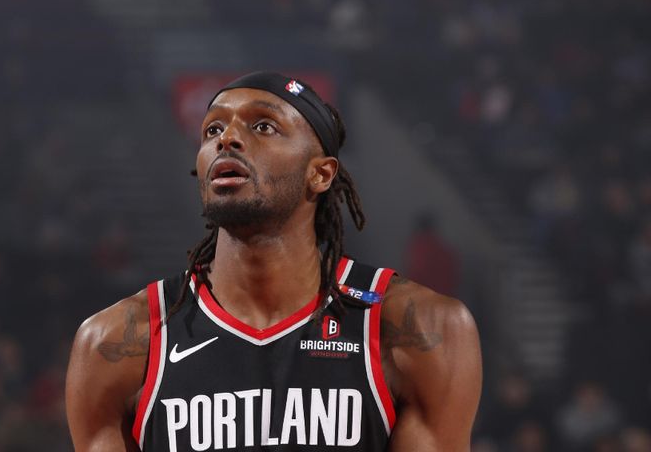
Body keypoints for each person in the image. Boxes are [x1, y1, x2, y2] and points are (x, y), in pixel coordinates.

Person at [66, 71, 482, 451]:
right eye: (212, 128)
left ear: (320, 174)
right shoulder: (118, 342)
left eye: (263, 126)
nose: (225, 139)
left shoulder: (418, 329)